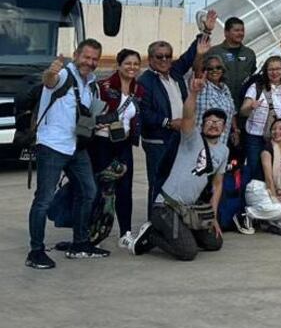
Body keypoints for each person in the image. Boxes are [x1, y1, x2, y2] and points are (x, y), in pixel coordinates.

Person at [120, 78, 227, 261]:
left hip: (189, 209)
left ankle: (179, 233)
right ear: (202, 125)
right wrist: (193, 93)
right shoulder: (191, 139)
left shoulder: (224, 150)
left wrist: (213, 217)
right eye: (209, 121)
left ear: (224, 127)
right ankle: (152, 234)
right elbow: (187, 116)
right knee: (188, 252)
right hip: (167, 206)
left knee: (214, 243)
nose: (214, 124)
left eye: (218, 122)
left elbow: (217, 185)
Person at [25, 41, 105, 268]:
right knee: (43, 199)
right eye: (86, 57)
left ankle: (80, 244)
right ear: (76, 55)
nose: (90, 63)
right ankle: (35, 252)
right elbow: (50, 82)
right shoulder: (64, 75)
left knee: (88, 191)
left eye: (94, 59)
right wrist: (50, 73)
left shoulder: (89, 84)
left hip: (75, 147)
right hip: (52, 146)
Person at [90, 48, 146, 248]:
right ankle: (93, 234)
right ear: (118, 65)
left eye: (136, 64)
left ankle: (125, 233)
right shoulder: (102, 87)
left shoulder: (138, 91)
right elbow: (89, 115)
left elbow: (138, 118)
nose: (132, 68)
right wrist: (100, 122)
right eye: (128, 63)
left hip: (123, 144)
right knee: (101, 189)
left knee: (125, 189)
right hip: (101, 143)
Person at [138, 35, 201, 209]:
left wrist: (205, 32)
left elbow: (189, 56)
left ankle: (171, 222)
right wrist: (168, 122)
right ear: (151, 59)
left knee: (177, 181)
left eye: (168, 56)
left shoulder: (175, 73)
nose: (164, 60)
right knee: (158, 182)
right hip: (158, 141)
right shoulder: (145, 81)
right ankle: (154, 224)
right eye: (159, 56)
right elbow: (144, 112)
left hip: (179, 138)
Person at [239, 56, 281, 213]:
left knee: (276, 173)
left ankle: (271, 204)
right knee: (256, 172)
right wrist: (251, 106)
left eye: (278, 69)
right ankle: (250, 207)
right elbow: (243, 110)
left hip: (277, 139)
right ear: (265, 71)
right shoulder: (256, 87)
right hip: (255, 136)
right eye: (271, 69)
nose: (274, 72)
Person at [206, 13, 257, 100]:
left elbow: (252, 76)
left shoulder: (249, 53)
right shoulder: (214, 52)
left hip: (243, 103)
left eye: (242, 30)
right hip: (220, 102)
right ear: (226, 32)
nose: (240, 33)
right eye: (236, 30)